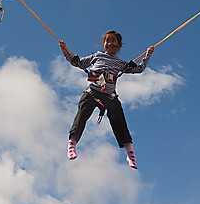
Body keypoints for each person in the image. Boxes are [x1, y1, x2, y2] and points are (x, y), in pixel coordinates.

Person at [59, 30, 155, 169]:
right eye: (107, 40)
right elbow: (78, 62)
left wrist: (147, 55)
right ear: (103, 44)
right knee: (82, 114)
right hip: (92, 91)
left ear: (119, 45)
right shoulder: (96, 56)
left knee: (119, 121)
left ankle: (130, 153)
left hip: (109, 95)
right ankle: (72, 144)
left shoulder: (121, 63)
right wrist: (65, 50)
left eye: (113, 40)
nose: (110, 43)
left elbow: (138, 69)